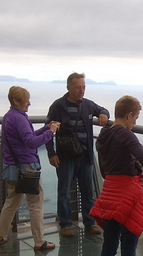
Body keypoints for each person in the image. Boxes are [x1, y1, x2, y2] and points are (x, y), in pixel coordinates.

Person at [89, 95, 143, 256]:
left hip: (109, 193)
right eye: (135, 117)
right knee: (128, 249)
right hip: (127, 196)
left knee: (109, 246)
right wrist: (135, 161)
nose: (135, 122)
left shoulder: (103, 135)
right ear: (129, 115)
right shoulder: (126, 135)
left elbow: (105, 170)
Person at [0, 86, 60, 250]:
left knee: (11, 203)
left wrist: (45, 128)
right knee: (36, 204)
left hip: (12, 167)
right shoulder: (20, 118)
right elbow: (31, 142)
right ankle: (39, 241)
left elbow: (26, 136)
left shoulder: (8, 117)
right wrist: (50, 133)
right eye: (26, 100)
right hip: (28, 168)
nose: (29, 103)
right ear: (16, 101)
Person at [45, 72, 109, 237]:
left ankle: (89, 222)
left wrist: (104, 114)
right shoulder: (58, 106)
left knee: (88, 191)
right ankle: (65, 224)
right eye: (77, 88)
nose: (81, 91)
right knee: (64, 191)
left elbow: (102, 109)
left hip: (85, 156)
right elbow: (48, 130)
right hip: (66, 157)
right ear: (68, 88)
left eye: (83, 87)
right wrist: (51, 153)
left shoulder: (87, 105)